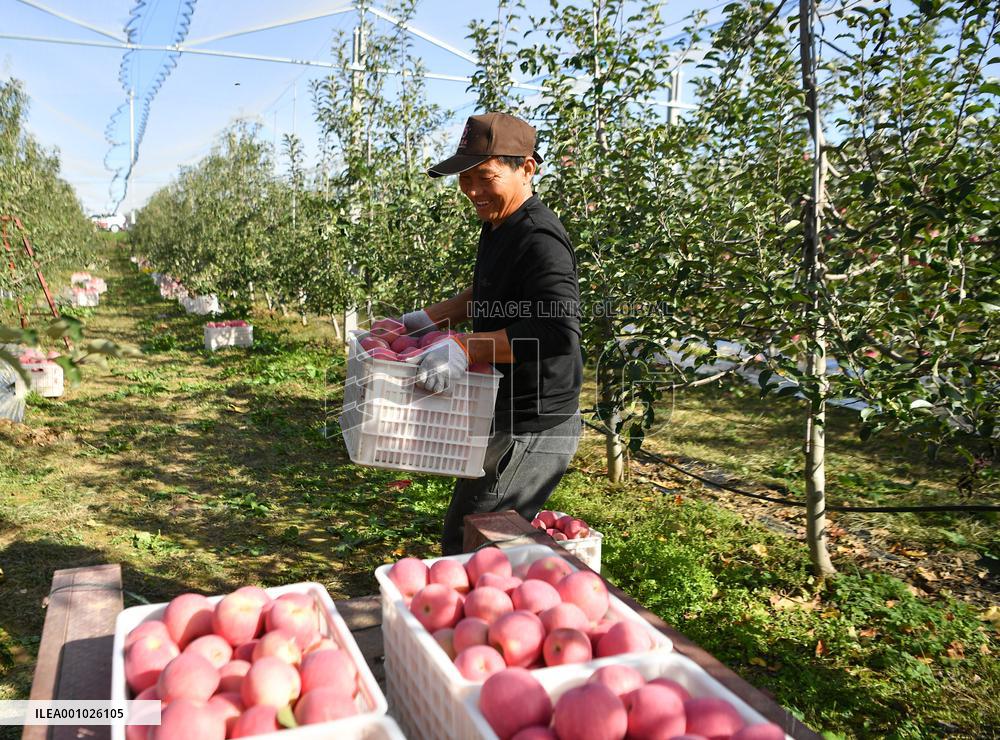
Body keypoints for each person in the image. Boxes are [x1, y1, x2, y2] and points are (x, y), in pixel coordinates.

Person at [399, 112, 583, 555]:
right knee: (468, 535)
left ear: (527, 169)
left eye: (486, 177)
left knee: (474, 549)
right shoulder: (500, 224)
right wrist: (430, 319)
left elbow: (558, 330)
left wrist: (466, 345)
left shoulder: (538, 237)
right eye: (466, 178)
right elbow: (490, 292)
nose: (473, 191)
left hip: (534, 426)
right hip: (504, 412)